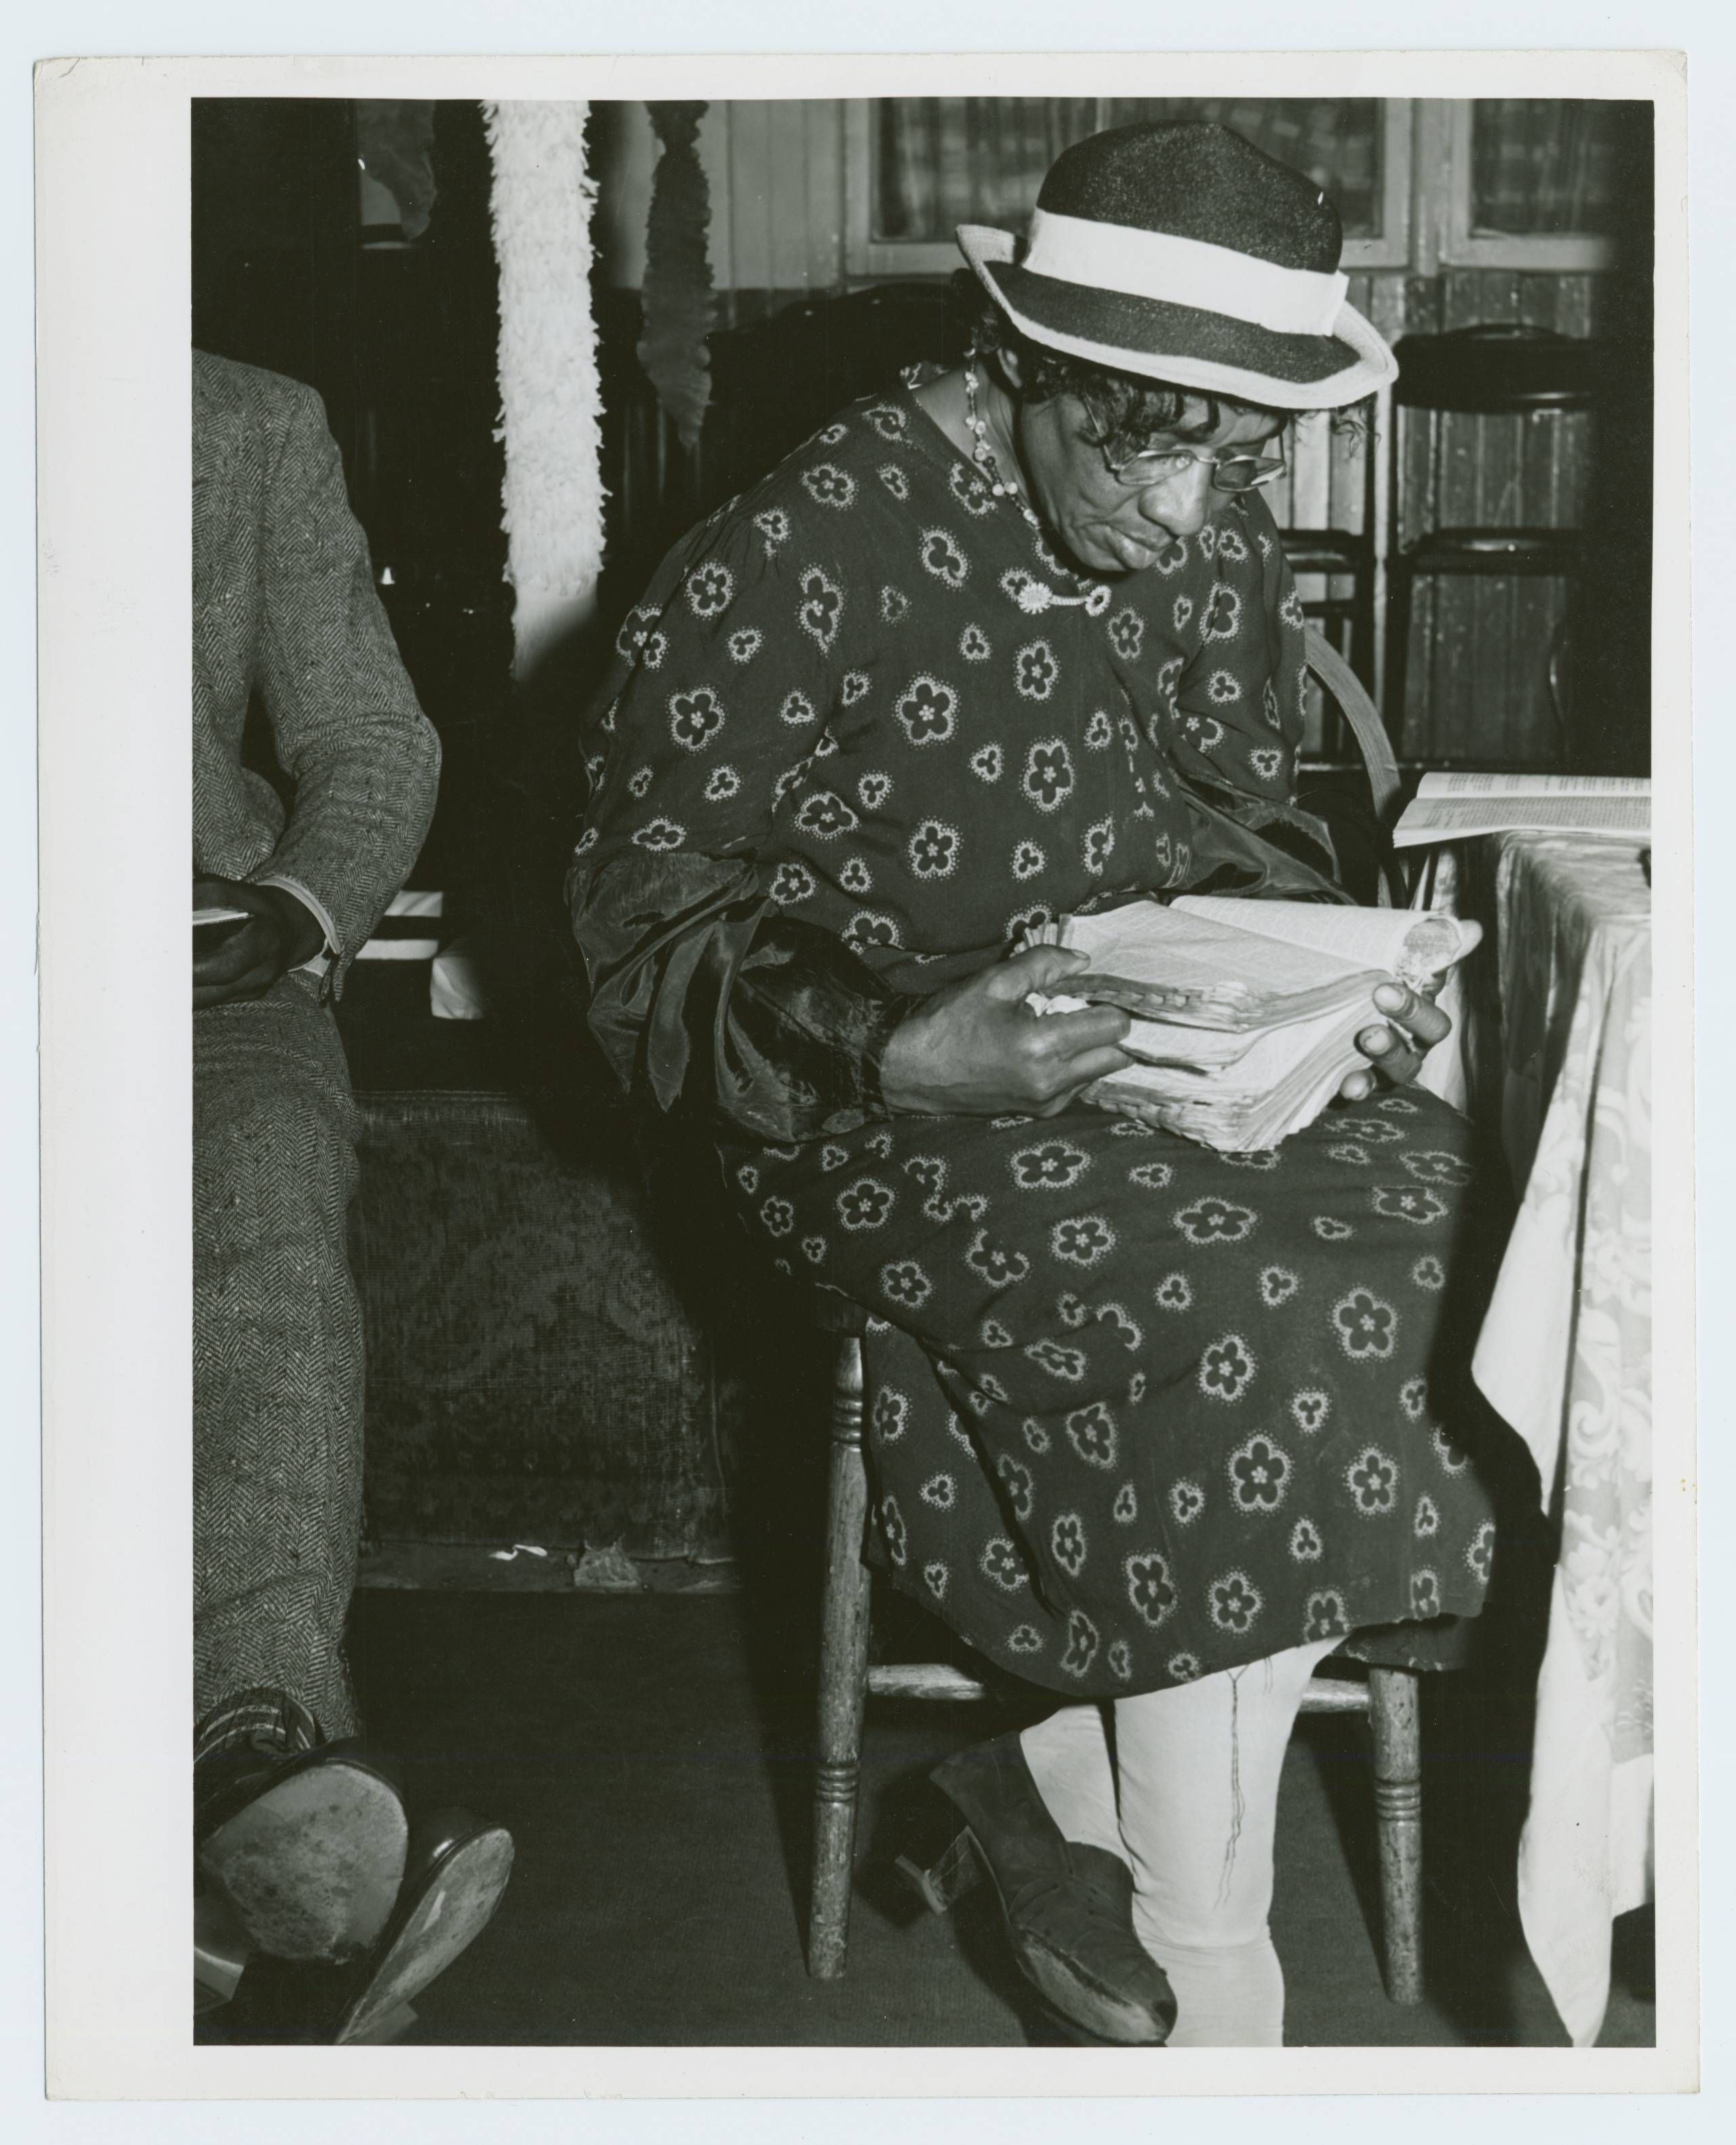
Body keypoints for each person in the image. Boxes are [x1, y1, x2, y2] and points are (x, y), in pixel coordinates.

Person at [569, 122, 1507, 2047]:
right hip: (862, 1105)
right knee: (1236, 1310)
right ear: (1020, 369)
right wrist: (902, 1041)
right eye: (1142, 450)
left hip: (1182, 1070)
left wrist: (1341, 991)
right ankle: (1207, 1957)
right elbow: (638, 947)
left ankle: (1057, 1780)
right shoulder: (790, 555)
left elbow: (1246, 819)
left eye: (1232, 461)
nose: (1186, 519)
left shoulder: (1197, 512)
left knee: (1485, 1226)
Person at [192, 351, 513, 2042]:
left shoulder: (243, 425)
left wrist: (302, 907)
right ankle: (212, 1932)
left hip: (195, 990)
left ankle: (252, 1744)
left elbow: (371, 735)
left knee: (256, 1236)